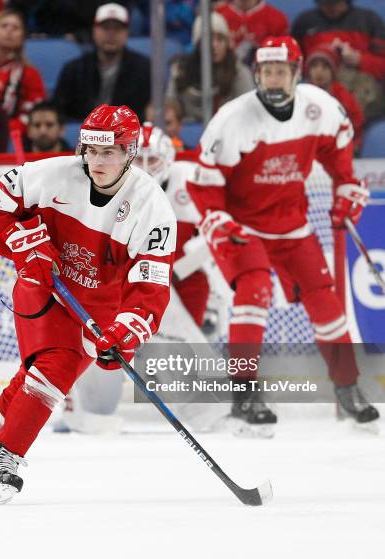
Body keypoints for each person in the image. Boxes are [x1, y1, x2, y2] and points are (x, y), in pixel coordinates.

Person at [0, 104, 177, 503]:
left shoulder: (152, 206)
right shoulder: (50, 173)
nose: (98, 161)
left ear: (130, 152)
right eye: (92, 150)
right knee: (53, 373)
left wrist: (126, 331)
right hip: (43, 289)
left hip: (97, 313)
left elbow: (149, 286)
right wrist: (23, 247)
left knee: (20, 395)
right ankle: (6, 461)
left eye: (110, 152)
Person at [186, 36, 379, 437]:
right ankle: (245, 394)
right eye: (266, 72)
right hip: (243, 227)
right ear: (257, 74)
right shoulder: (232, 118)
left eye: (281, 71)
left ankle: (347, 387)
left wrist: (347, 190)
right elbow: (203, 184)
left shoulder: (319, 108)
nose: (273, 79)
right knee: (254, 293)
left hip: (293, 223)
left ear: (296, 72)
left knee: (325, 301)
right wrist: (220, 222)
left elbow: (339, 159)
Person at [56, 123, 210, 435]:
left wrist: (186, 269)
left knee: (206, 409)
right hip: (110, 290)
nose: (145, 170)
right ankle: (81, 404)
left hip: (162, 289)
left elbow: (218, 235)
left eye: (153, 161)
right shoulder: (92, 184)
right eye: (139, 160)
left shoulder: (186, 182)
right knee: (97, 400)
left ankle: (200, 404)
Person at [53, 3, 151, 121]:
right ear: (94, 31)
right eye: (105, 28)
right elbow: (58, 112)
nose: (111, 34)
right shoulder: (74, 70)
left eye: (117, 28)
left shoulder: (144, 70)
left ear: (126, 33)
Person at [292, 0, 385, 120]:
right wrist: (321, 59)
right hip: (317, 92)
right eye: (326, 5)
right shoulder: (304, 22)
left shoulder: (368, 20)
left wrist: (359, 60)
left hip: (358, 91)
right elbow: (292, 65)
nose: (331, 8)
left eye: (336, 4)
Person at [167, 12, 254, 122]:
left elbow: (248, 113)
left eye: (220, 39)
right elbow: (171, 107)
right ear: (197, 44)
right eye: (208, 39)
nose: (214, 45)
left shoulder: (240, 73)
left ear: (227, 43)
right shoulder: (180, 70)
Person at [0, 10, 46, 132]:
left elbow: (34, 113)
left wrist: (4, 130)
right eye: (4, 26)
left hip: (12, 136)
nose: (9, 30)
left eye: (16, 28)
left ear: (21, 38)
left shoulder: (30, 73)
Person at [305, 44, 364, 153]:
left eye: (324, 67)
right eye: (314, 66)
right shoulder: (303, 95)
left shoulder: (344, 97)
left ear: (333, 71)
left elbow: (357, 123)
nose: (319, 71)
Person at [216, 0, 289, 65]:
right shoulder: (216, 15)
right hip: (222, 75)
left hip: (264, 76)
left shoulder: (277, 19)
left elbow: (283, 61)